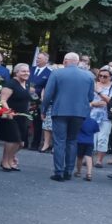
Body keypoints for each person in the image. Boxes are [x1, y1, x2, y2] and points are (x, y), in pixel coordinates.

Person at [41, 53, 96, 182]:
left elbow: (48, 94)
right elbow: (91, 97)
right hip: (79, 113)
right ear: (77, 62)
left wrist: (43, 109)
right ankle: (69, 171)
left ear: (65, 61)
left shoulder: (57, 73)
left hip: (60, 111)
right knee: (72, 141)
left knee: (59, 141)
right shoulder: (89, 76)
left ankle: (58, 172)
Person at [28, 52, 52, 150]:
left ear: (46, 60)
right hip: (26, 98)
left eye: (40, 58)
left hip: (38, 101)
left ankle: (35, 144)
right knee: (25, 120)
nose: (37, 60)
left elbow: (48, 87)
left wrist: (36, 91)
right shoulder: (30, 69)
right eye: (37, 58)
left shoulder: (49, 73)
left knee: (37, 123)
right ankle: (23, 141)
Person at [91, 68, 112, 168]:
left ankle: (99, 160)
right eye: (100, 76)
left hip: (106, 116)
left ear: (110, 77)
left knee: (103, 138)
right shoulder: (94, 84)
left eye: (105, 76)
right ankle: (89, 159)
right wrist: (93, 103)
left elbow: (111, 101)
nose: (102, 78)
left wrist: (100, 93)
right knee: (91, 138)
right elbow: (87, 98)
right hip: (92, 114)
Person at [74, 116, 99, 181]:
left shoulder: (79, 120)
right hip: (90, 141)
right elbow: (96, 130)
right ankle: (89, 174)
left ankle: (78, 172)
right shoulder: (93, 121)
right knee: (89, 156)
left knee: (80, 157)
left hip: (80, 141)